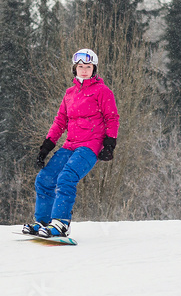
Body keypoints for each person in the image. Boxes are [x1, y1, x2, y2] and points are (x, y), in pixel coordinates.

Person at [23, 48, 119, 238]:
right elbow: (60, 122)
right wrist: (45, 148)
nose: (84, 70)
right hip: (70, 144)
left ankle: (61, 223)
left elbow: (112, 118)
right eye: (80, 66)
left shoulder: (103, 91)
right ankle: (43, 222)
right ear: (75, 69)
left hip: (91, 145)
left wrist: (109, 145)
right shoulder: (70, 93)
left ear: (94, 69)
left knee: (66, 178)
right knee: (44, 179)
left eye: (88, 67)